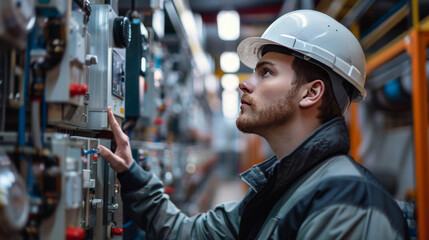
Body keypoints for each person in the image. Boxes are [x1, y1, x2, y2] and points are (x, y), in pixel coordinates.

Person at [98, 10, 409, 240]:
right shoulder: (278, 190)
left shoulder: (347, 203)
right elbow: (187, 233)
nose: (244, 84)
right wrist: (131, 172)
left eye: (266, 72)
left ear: (311, 92)